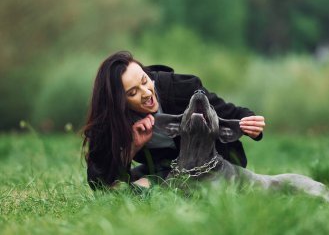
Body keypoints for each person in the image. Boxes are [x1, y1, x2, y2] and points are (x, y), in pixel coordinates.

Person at [82, 51, 265, 190]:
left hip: (212, 165)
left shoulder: (181, 90)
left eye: (145, 81)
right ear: (118, 103)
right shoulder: (110, 122)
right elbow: (99, 182)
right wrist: (132, 147)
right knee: (122, 185)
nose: (146, 93)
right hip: (166, 166)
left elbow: (232, 112)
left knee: (141, 187)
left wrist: (251, 124)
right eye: (133, 93)